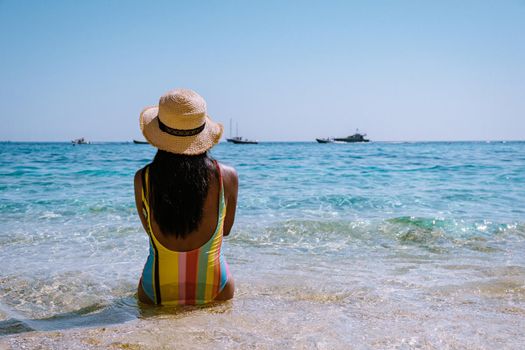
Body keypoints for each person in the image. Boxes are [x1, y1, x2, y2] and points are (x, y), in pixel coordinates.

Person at [134, 88, 238, 305]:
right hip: (215, 287)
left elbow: (151, 232)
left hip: (156, 290)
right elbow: (225, 230)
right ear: (202, 133)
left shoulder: (142, 179)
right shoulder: (226, 176)